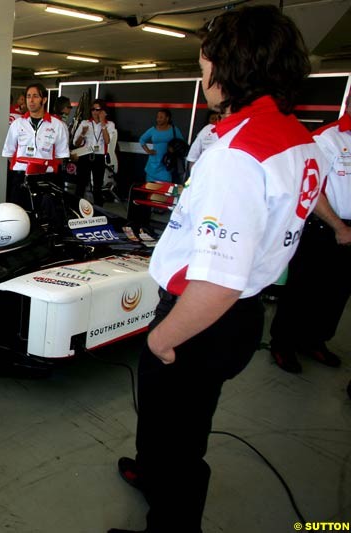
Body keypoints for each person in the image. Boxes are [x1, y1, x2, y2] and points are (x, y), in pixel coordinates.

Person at [109, 6, 321, 533]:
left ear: (232, 65)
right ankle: (152, 472)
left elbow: (220, 280)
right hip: (238, 316)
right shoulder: (295, 136)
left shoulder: (238, 153)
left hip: (201, 316)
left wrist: (162, 340)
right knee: (170, 424)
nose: (203, 75)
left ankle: (172, 520)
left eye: (205, 63)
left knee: (180, 437)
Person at [268, 92, 351, 373]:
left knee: (336, 292)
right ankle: (283, 344)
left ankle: (315, 341)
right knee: (303, 289)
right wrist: (339, 226)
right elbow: (311, 187)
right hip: (324, 226)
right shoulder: (327, 138)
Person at [2, 83, 69, 209]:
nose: (31, 100)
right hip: (21, 177)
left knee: (45, 217)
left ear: (44, 99)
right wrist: (24, 168)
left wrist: (44, 169)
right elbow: (9, 153)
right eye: (28, 96)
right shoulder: (17, 124)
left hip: (46, 178)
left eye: (35, 96)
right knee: (20, 215)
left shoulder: (57, 125)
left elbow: (61, 156)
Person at [71, 98, 116, 205]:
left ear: (103, 111)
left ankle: (99, 211)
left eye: (98, 109)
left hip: (99, 157)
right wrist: (82, 133)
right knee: (81, 185)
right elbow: (75, 143)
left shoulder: (110, 124)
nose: (95, 112)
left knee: (97, 186)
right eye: (93, 110)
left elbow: (107, 141)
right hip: (85, 156)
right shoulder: (85, 123)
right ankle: (76, 208)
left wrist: (102, 124)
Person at [138, 108, 183, 182]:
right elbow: (142, 139)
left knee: (164, 190)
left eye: (161, 117)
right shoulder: (153, 130)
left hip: (167, 165)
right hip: (153, 165)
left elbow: (181, 143)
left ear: (167, 118)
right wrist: (148, 151)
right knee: (150, 189)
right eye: (157, 117)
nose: (158, 119)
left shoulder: (174, 130)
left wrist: (173, 150)